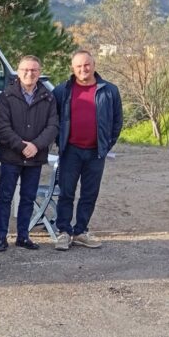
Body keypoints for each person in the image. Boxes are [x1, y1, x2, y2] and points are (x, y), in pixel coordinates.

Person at [52, 50, 123, 251]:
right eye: (79, 66)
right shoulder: (62, 90)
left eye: (87, 65)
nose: (83, 69)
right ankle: (64, 232)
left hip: (95, 152)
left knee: (89, 193)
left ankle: (81, 231)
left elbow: (117, 121)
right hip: (70, 151)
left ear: (94, 65)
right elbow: (53, 120)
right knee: (66, 192)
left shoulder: (109, 91)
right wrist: (60, 141)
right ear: (72, 68)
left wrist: (106, 144)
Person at [0, 55, 59, 252]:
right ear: (18, 72)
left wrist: (36, 145)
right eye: (25, 70)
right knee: (5, 197)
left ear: (39, 73)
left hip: (35, 157)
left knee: (28, 197)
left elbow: (53, 126)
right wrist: (22, 146)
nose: (29, 73)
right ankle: (1, 237)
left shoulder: (48, 97)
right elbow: (1, 127)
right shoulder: (6, 95)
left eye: (33, 70)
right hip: (11, 156)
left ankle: (23, 236)